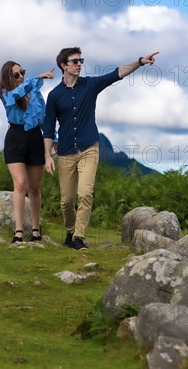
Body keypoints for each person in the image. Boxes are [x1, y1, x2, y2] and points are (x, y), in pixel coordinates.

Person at [43, 47, 159, 250]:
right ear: (64, 65)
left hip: (89, 148)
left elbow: (118, 73)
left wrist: (139, 61)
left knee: (85, 193)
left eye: (81, 60)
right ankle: (70, 231)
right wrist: (47, 156)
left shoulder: (90, 85)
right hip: (66, 151)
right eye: (75, 61)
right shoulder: (54, 95)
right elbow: (49, 128)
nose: (79, 64)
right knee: (66, 200)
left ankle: (79, 237)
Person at [0, 61, 55, 243]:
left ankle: (36, 229)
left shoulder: (35, 92)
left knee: (34, 187)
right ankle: (18, 231)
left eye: (23, 73)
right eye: (17, 75)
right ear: (8, 78)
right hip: (15, 137)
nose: (21, 77)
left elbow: (44, 118)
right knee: (20, 183)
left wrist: (54, 140)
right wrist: (36, 78)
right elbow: (18, 93)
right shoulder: (7, 94)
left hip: (35, 138)